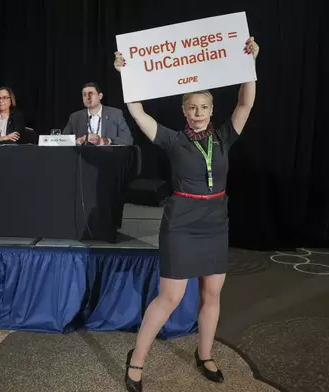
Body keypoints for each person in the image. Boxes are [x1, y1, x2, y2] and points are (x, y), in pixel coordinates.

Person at [113, 37, 259, 392]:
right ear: (184, 110)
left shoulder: (224, 136)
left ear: (211, 109)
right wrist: (126, 74)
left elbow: (245, 101)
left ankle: (204, 354)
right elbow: (138, 113)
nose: (198, 113)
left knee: (212, 295)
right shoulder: (172, 139)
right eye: (192, 107)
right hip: (181, 222)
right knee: (171, 297)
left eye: (204, 107)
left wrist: (249, 65)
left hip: (215, 221)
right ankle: (137, 360)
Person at [62, 82, 133, 145]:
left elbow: (128, 140)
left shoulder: (115, 114)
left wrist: (104, 141)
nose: (87, 97)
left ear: (100, 96)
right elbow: (62, 140)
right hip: (83, 158)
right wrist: (77, 141)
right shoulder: (75, 117)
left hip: (108, 157)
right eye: (84, 95)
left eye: (91, 93)